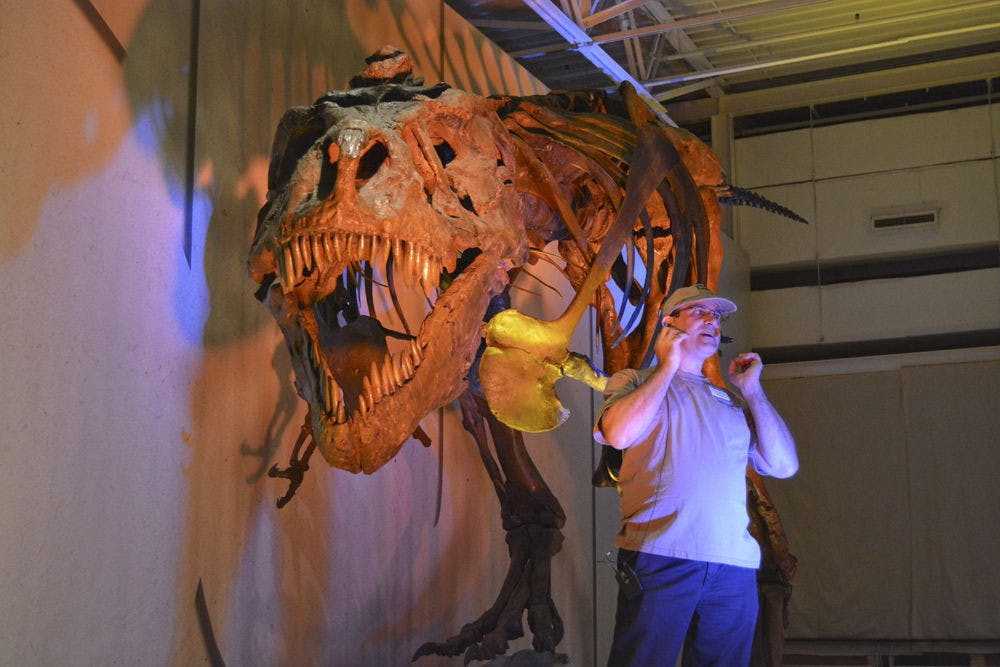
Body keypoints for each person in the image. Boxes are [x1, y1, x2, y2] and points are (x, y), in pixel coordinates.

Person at [594, 284, 799, 666]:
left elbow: (784, 465)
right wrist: (669, 365)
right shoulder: (633, 381)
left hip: (733, 566)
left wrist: (753, 392)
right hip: (661, 554)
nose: (713, 321)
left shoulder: (732, 402)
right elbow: (619, 434)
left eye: (717, 316)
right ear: (669, 323)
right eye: (700, 312)